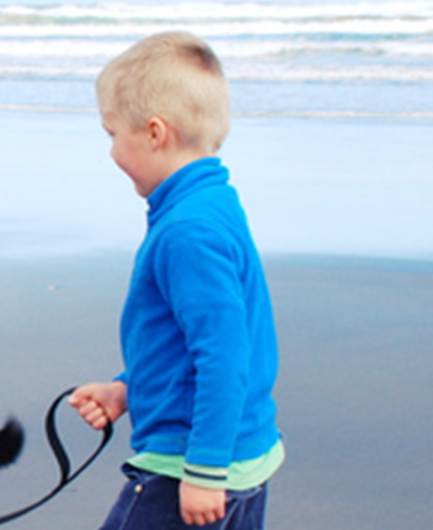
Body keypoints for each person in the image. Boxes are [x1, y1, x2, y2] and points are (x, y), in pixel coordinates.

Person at [68, 31, 284, 529]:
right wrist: (128, 389)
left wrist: (205, 472)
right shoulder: (212, 202)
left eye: (112, 134)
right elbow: (193, 343)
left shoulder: (188, 232)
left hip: (192, 463)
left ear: (154, 133)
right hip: (239, 455)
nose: (111, 152)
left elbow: (225, 354)